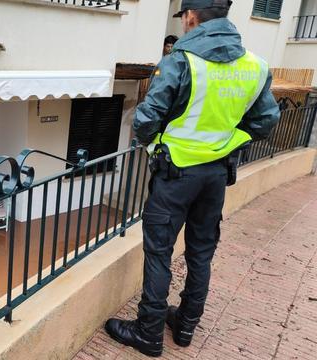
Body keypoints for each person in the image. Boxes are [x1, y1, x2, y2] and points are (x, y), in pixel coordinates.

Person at [104, 0, 280, 357]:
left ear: (192, 16)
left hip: (176, 175)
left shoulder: (180, 61)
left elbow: (145, 120)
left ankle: (148, 332)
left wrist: (155, 143)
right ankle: (185, 326)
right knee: (201, 253)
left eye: (184, 18)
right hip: (216, 176)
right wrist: (228, 140)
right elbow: (266, 121)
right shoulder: (255, 65)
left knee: (159, 253)